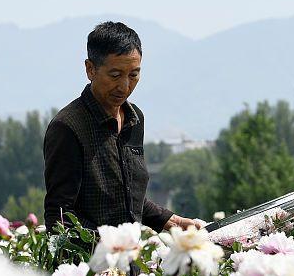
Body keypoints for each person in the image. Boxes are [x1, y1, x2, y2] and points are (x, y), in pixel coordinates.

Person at [43, 21, 205, 233]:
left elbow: (128, 197)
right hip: (89, 264)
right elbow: (59, 217)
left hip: (128, 262)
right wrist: (108, 249)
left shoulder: (135, 119)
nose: (125, 86)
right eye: (115, 75)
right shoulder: (68, 127)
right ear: (90, 69)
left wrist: (170, 221)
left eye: (133, 75)